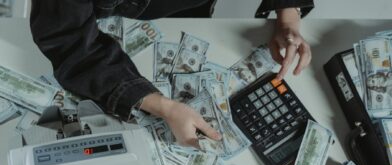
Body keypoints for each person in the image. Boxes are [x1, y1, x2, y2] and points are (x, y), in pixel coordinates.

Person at [30, 0, 314, 148]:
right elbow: (68, 38)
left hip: (188, 12)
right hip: (107, 22)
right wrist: (162, 106)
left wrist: (288, 16)